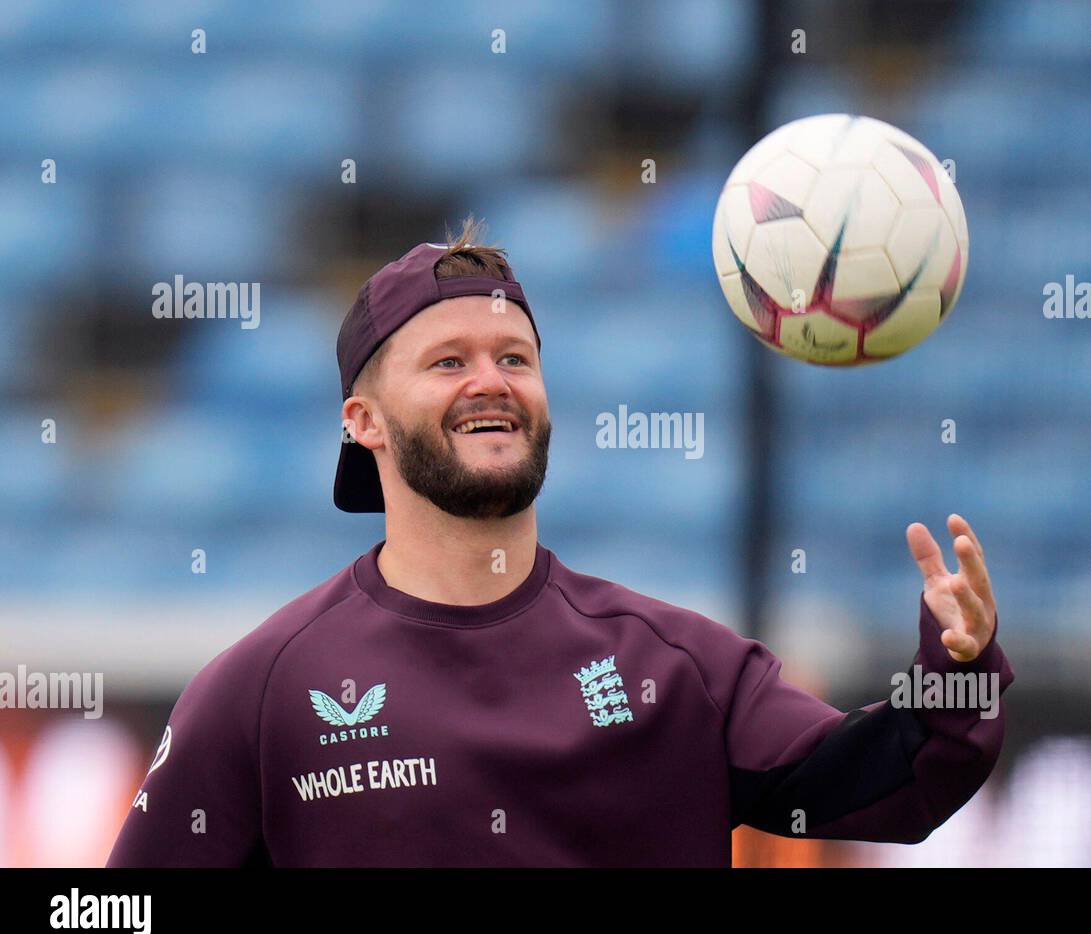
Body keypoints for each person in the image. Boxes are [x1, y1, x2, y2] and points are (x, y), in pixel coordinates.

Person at [106, 217, 1013, 867]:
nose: (491, 382)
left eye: (515, 359)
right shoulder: (264, 688)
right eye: (448, 361)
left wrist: (958, 665)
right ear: (364, 422)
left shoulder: (676, 668)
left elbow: (900, 786)